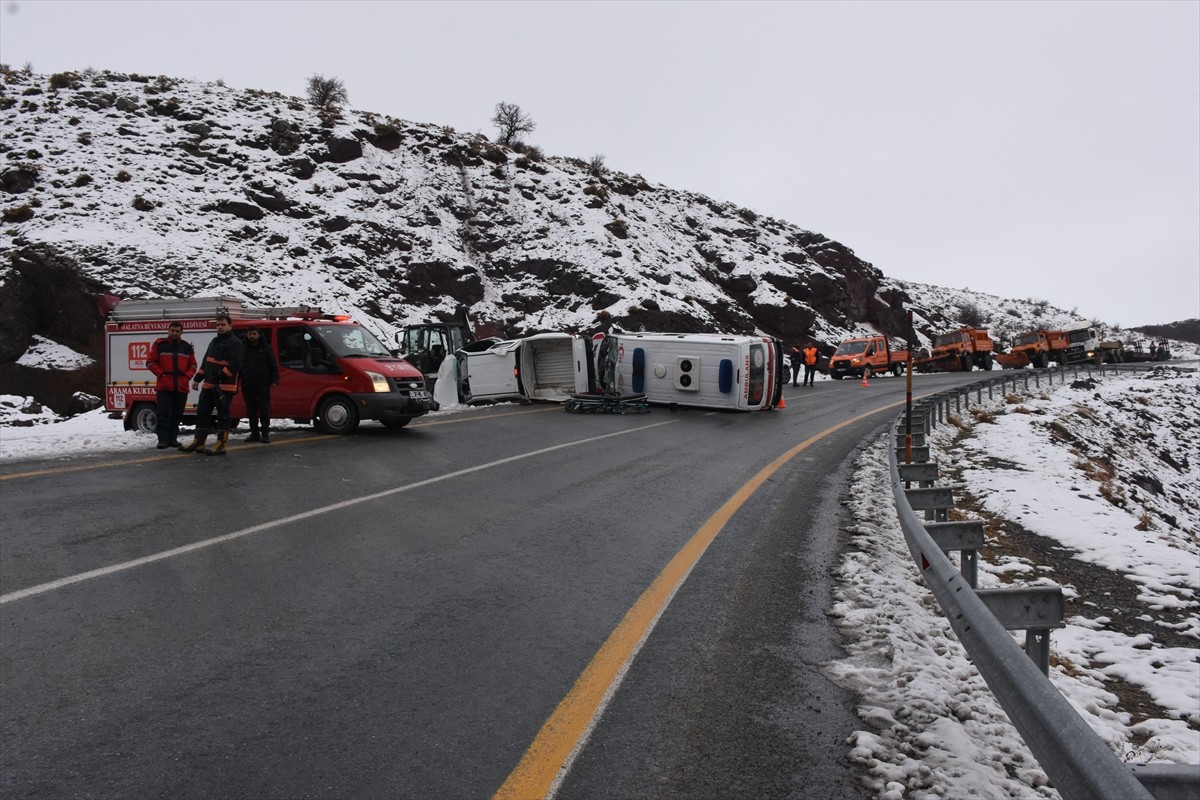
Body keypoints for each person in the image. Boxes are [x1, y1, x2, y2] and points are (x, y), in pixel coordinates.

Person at [180, 312, 244, 456]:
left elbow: (236, 365)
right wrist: (197, 378)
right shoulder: (214, 341)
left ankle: (221, 444)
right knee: (202, 412)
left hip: (224, 388)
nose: (220, 327)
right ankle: (199, 442)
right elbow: (206, 362)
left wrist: (219, 376)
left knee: (223, 415)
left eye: (223, 324)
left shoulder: (236, 343)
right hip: (208, 385)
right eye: (218, 324)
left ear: (229, 325)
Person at [145, 321, 197, 449]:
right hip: (164, 386)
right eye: (172, 330)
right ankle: (162, 440)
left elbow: (193, 364)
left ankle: (173, 439)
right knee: (163, 414)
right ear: (168, 330)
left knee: (177, 414)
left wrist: (187, 376)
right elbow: (150, 362)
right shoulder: (159, 344)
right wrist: (161, 374)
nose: (174, 333)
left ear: (181, 332)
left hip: (181, 386)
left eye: (177, 331)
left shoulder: (186, 347)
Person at [240, 326, 279, 443]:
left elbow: (273, 365)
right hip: (247, 384)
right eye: (250, 334)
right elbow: (237, 365)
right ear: (247, 335)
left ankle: (265, 434)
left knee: (264, 410)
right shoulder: (242, 349)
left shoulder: (266, 348)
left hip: (262, 385)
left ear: (259, 335)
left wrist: (275, 380)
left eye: (254, 334)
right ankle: (254, 434)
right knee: (251, 411)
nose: (252, 336)